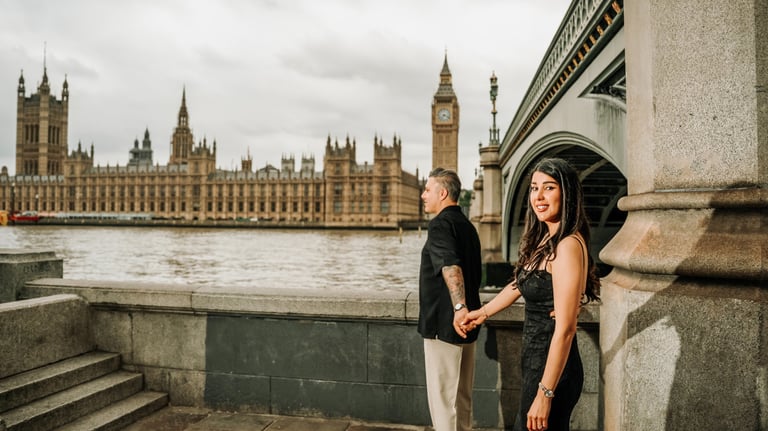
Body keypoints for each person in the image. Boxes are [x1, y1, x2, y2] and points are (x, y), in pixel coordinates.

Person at [462, 158, 600, 431]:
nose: (538, 196)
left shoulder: (568, 245)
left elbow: (566, 329)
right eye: (534, 188)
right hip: (536, 360)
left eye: (548, 188)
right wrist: (483, 312)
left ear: (567, 193)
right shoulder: (546, 240)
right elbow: (518, 284)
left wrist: (545, 394)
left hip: (553, 369)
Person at [418, 167, 482, 431]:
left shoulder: (440, 225)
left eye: (427, 189)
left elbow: (449, 265)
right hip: (468, 325)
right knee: (462, 400)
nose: (423, 195)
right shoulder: (467, 226)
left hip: (445, 325)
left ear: (442, 193)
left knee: (444, 403)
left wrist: (458, 307)